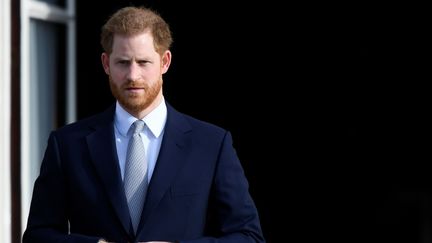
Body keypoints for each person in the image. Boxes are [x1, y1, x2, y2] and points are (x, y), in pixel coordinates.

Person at [22, 5, 265, 243]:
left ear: (165, 62)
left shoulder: (211, 144)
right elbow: (36, 235)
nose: (133, 76)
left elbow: (248, 236)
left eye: (143, 62)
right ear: (106, 64)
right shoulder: (67, 145)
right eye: (123, 62)